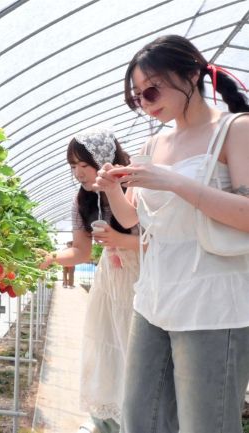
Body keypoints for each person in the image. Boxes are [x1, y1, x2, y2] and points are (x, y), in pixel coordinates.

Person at [95, 35, 249, 433]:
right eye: (137, 99)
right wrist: (112, 186)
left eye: (151, 89)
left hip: (213, 303)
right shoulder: (155, 142)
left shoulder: (235, 129)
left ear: (193, 73)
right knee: (140, 419)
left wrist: (172, 181)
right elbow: (133, 219)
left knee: (205, 424)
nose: (146, 103)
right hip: (154, 297)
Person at [41, 129, 140, 433]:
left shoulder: (136, 185)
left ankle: (137, 419)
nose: (78, 174)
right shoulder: (82, 200)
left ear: (103, 159)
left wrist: (122, 240)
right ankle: (107, 420)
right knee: (107, 345)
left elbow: (163, 240)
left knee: (137, 349)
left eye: (83, 165)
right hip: (111, 278)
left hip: (144, 274)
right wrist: (49, 257)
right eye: (73, 167)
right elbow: (81, 252)